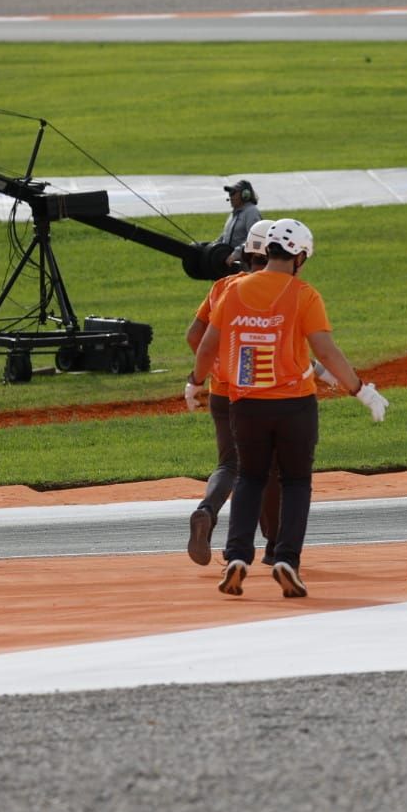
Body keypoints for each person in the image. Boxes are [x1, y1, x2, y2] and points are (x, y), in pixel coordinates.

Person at [192, 218, 389, 598]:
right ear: (299, 257)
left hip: (246, 404)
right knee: (295, 482)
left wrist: (195, 383)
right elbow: (326, 351)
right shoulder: (304, 295)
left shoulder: (232, 291)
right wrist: (360, 390)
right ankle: (285, 558)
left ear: (266, 251)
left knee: (249, 478)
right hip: (295, 405)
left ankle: (236, 557)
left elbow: (207, 345)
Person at [183, 217, 282, 566]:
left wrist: (212, 370)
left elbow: (195, 336)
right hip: (261, 392)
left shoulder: (222, 287)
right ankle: (273, 544)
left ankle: (206, 511)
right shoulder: (278, 291)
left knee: (229, 464)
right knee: (271, 466)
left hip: (221, 390)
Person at [215, 180, 262, 269]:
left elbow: (254, 239)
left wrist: (237, 253)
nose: (230, 196)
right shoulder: (234, 213)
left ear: (245, 195)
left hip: (244, 265)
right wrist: (212, 246)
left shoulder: (251, 212)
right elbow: (225, 236)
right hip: (231, 263)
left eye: (233, 193)